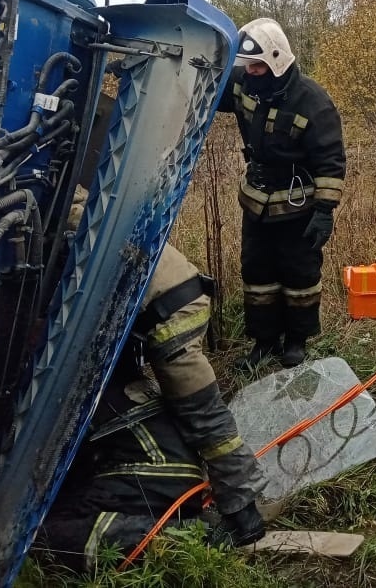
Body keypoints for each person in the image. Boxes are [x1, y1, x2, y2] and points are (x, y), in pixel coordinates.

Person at [37, 197, 268, 570]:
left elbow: (209, 421)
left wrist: (239, 504)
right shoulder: (68, 205)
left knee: (204, 418)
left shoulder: (53, 218)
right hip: (164, 299)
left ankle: (244, 512)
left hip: (170, 314)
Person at [218, 18, 346, 369]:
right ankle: (263, 342)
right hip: (256, 201)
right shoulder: (246, 83)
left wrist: (324, 211)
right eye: (249, 66)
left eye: (259, 65)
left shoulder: (313, 101)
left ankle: (296, 341)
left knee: (300, 274)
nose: (252, 72)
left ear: (277, 60)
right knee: (257, 273)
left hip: (297, 205)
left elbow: (331, 161)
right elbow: (211, 84)